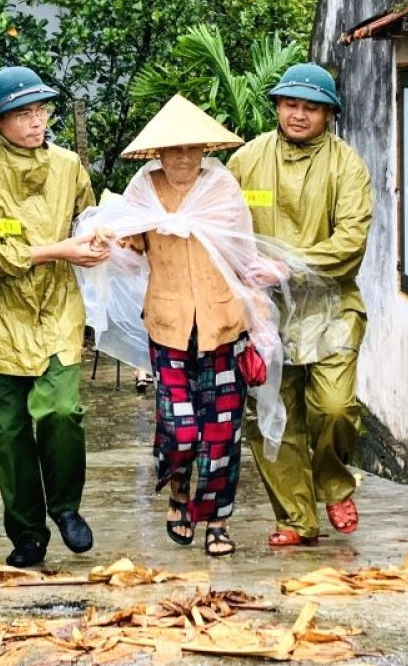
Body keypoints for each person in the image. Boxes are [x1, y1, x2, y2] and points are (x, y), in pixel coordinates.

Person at [81, 95, 275, 557]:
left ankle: (217, 522)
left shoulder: (222, 189)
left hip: (223, 325)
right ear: (158, 155)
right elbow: (128, 245)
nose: (183, 158)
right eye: (173, 150)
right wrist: (111, 237)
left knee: (222, 432)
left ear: (205, 151)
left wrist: (261, 320)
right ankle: (178, 491)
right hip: (168, 327)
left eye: (192, 149)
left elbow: (243, 256)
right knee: (182, 428)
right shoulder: (144, 192)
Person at [0, 65, 109, 568]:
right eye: (23, 114)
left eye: (41, 111)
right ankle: (28, 532)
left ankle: (65, 507)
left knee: (61, 412)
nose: (36, 123)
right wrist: (56, 250)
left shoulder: (68, 167)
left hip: (55, 308)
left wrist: (99, 240)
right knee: (10, 432)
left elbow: (87, 219)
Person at [227, 63, 373, 547]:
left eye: (311, 107)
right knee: (270, 415)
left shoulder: (346, 166)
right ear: (277, 106)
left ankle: (332, 482)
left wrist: (290, 267)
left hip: (329, 307)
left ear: (329, 114)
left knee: (334, 406)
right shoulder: (246, 160)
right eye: (290, 104)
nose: (298, 114)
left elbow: (351, 240)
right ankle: (295, 518)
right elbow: (220, 222)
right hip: (262, 310)